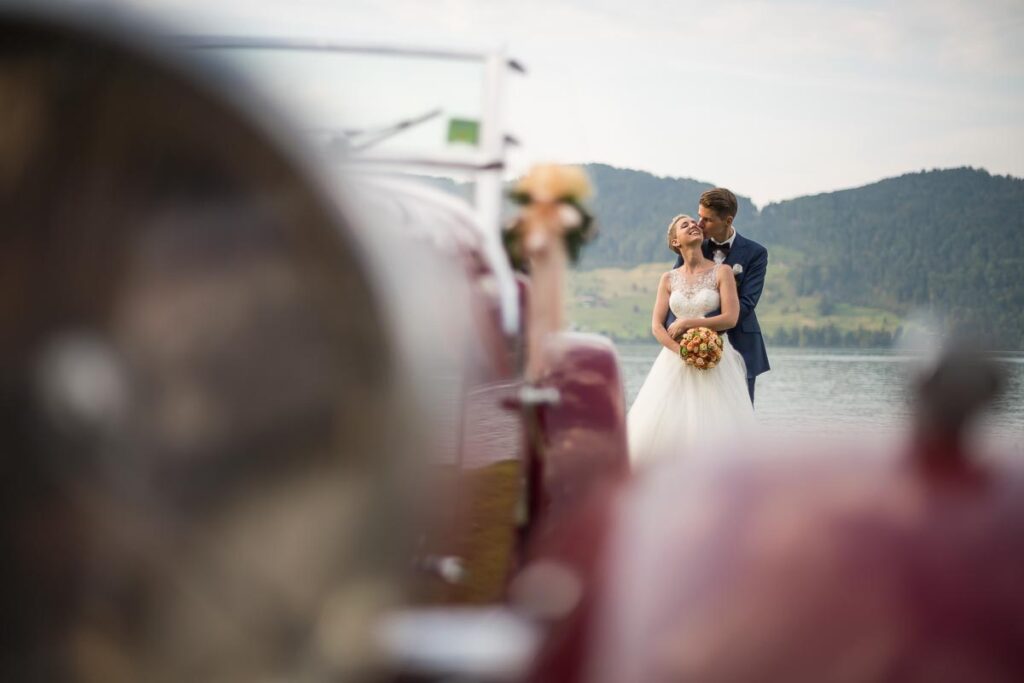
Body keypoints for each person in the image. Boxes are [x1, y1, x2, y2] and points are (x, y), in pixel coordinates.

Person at [627, 215, 755, 467]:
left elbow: (730, 318)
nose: (693, 225)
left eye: (694, 223)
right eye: (685, 225)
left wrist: (689, 323)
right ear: (676, 241)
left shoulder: (723, 271)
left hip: (715, 358)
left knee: (717, 424)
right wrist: (681, 351)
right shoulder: (668, 278)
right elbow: (656, 325)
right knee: (666, 427)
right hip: (674, 360)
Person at [666, 188, 769, 404]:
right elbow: (678, 289)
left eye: (707, 220)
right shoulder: (693, 245)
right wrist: (681, 339)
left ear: (727, 220)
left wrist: (707, 331)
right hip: (693, 345)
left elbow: (747, 303)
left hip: (741, 342)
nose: (699, 224)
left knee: (739, 415)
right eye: (699, 216)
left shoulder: (755, 253)